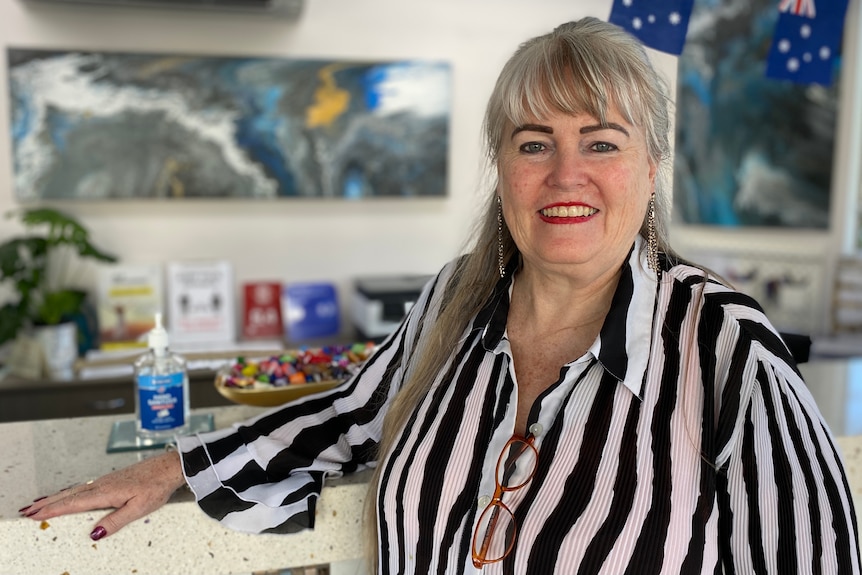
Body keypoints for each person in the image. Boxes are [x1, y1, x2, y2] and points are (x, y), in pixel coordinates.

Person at [20, 17, 860, 574]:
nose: (566, 175)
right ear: (503, 170)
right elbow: (344, 418)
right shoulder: (454, 301)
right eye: (536, 143)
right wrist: (174, 466)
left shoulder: (723, 344)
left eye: (600, 142)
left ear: (651, 167)